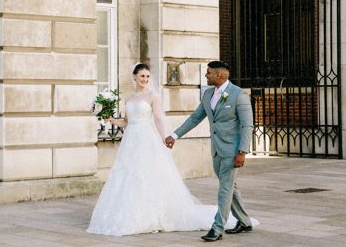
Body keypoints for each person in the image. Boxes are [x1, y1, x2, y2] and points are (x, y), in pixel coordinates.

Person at [87, 63, 240, 236]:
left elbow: (158, 118)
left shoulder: (154, 95)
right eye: (142, 76)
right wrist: (111, 120)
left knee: (148, 173)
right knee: (129, 173)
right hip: (130, 140)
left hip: (146, 137)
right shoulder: (129, 98)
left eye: (147, 76)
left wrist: (164, 138)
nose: (145, 79)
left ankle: (153, 213)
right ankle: (129, 211)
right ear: (134, 77)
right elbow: (126, 122)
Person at [166, 60, 255, 242]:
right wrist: (174, 135)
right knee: (230, 186)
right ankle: (245, 221)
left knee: (225, 188)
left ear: (219, 75)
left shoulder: (239, 95)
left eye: (208, 73)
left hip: (232, 151)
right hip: (216, 149)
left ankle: (217, 227)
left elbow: (247, 125)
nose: (206, 75)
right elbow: (195, 118)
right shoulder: (208, 94)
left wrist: (242, 151)